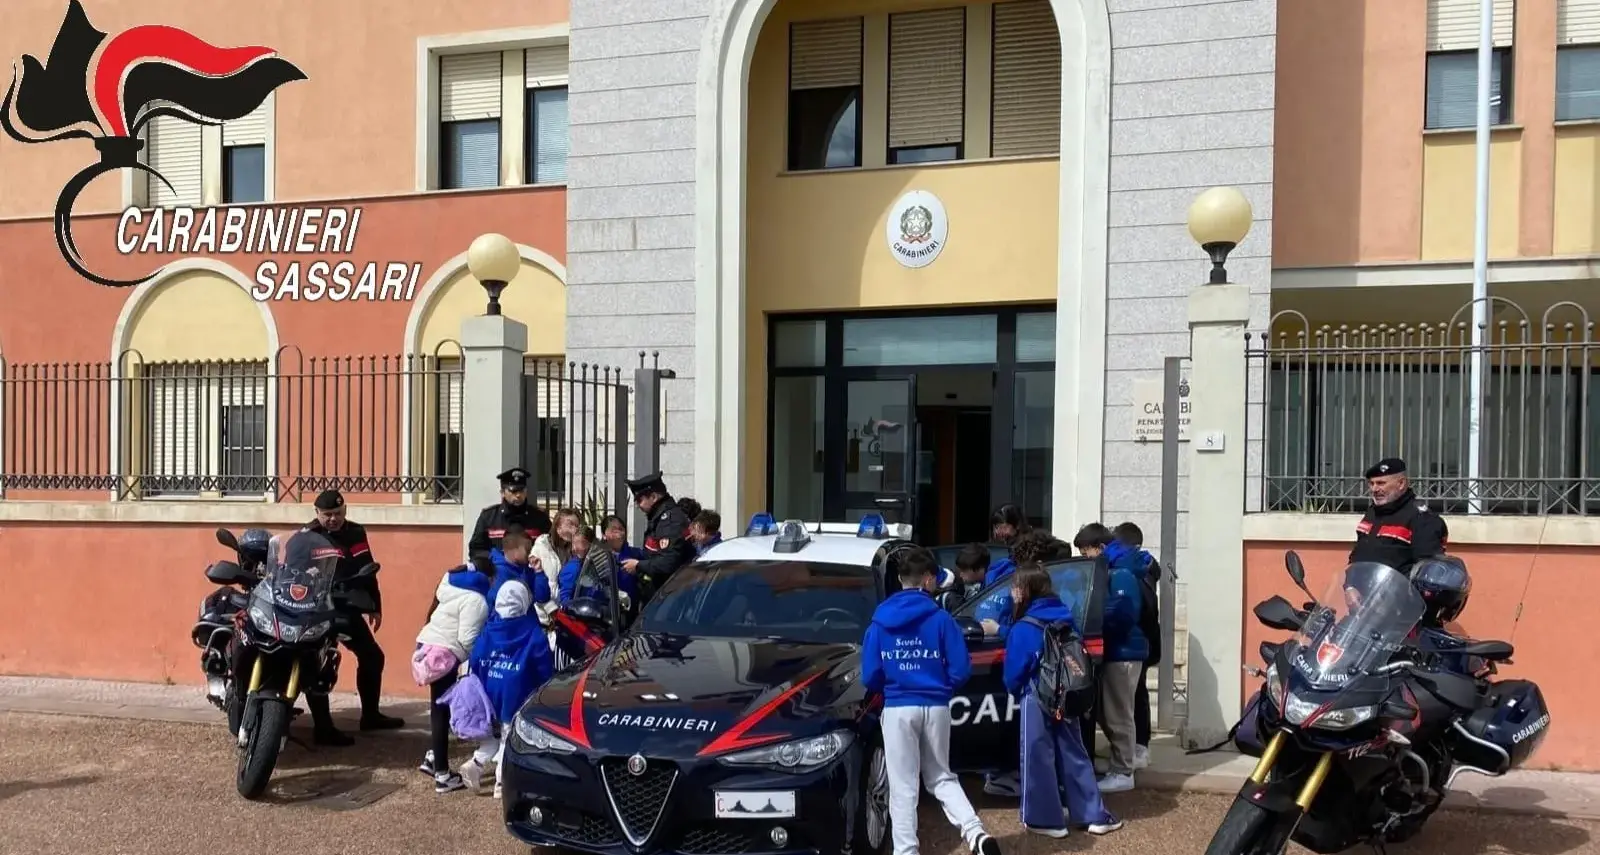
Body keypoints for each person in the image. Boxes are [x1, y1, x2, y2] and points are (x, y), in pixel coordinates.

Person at [861, 547, 1002, 855]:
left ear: (900, 580)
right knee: (941, 777)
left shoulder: (880, 621)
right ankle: (975, 832)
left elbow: (870, 675)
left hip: (898, 706)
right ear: (926, 580)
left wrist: (894, 686)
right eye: (935, 579)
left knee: (903, 787)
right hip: (935, 704)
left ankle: (907, 851)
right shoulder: (941, 619)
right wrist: (940, 688)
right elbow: (961, 669)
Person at [1003, 563, 1123, 839]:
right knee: (1075, 753)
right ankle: (1093, 814)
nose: (1012, 592)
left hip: (1037, 694)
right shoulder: (1066, 616)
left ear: (1025, 591)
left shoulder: (1024, 626)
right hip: (1067, 694)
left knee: (1037, 756)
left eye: (1016, 587)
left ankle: (1046, 820)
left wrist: (1013, 689)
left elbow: (1014, 673)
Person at [304, 489, 404, 738]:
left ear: (345, 511)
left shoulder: (356, 532)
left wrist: (375, 607)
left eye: (337, 513)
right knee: (318, 661)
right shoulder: (308, 535)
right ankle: (323, 728)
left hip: (345, 607)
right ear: (317, 513)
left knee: (373, 657)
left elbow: (367, 568)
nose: (333, 519)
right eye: (327, 514)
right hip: (316, 610)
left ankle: (370, 716)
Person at [465, 525, 554, 798]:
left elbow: (542, 595)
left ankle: (478, 764)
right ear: (514, 549)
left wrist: (537, 572)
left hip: (494, 673)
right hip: (518, 669)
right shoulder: (501, 575)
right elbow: (543, 664)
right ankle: (502, 781)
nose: (531, 553)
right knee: (509, 732)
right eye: (527, 549)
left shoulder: (519, 571)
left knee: (497, 733)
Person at [413, 562, 492, 792]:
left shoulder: (450, 586)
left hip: (428, 647)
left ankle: (432, 759)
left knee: (441, 708)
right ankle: (443, 776)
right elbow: (466, 638)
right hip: (445, 655)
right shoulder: (476, 600)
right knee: (440, 711)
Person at [1097, 535, 1151, 794]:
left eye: (1085, 550)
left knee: (1119, 714)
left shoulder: (1120, 575)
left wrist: (1095, 621)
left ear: (1099, 548)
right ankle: (1120, 763)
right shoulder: (1122, 571)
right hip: (1119, 651)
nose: (1085, 556)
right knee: (1113, 712)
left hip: (1122, 652)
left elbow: (1122, 613)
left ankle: (1122, 771)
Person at [1111, 521, 1161, 772]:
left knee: (1135, 696)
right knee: (1135, 695)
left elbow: (1147, 609)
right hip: (1144, 641)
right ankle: (1137, 745)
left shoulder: (1134, 570)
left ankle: (1139, 746)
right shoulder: (1145, 566)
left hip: (1139, 641)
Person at [1351, 457, 1449, 575]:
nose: (1374, 489)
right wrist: (1350, 586)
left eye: (1381, 483)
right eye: (1371, 484)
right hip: (1364, 591)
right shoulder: (1373, 512)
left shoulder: (1422, 518)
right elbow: (1358, 554)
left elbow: (1427, 569)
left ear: (1401, 483)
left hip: (1399, 592)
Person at [621, 471, 697, 602]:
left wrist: (638, 566)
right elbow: (653, 553)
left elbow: (668, 562)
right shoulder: (658, 519)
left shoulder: (670, 521)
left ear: (654, 497)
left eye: (640, 500)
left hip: (672, 596)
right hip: (660, 594)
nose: (638, 506)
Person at [468, 467, 555, 572]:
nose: (518, 495)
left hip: (531, 573)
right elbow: (476, 549)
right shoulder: (489, 517)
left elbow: (551, 546)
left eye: (521, 490)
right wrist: (495, 560)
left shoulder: (539, 517)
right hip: (497, 573)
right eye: (513, 491)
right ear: (503, 492)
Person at [532, 508, 579, 623]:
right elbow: (538, 585)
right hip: (546, 617)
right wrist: (552, 611)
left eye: (577, 526)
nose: (575, 530)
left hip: (566, 614)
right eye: (571, 525)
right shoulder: (541, 549)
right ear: (558, 527)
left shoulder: (574, 549)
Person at [984, 504, 1032, 584]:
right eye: (995, 527)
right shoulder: (1008, 546)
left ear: (1017, 525)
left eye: (1000, 526)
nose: (997, 532)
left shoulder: (1028, 547)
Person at [555, 525, 597, 603]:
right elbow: (564, 600)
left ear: (591, 545)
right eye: (574, 543)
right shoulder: (573, 568)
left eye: (580, 543)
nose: (575, 548)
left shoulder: (593, 565)